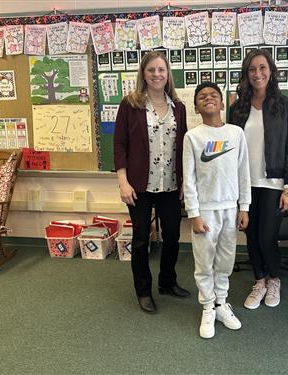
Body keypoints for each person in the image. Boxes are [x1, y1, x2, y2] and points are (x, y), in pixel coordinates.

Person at [114, 51, 190, 315]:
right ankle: (143, 291)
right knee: (139, 240)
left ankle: (167, 282)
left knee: (172, 237)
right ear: (143, 74)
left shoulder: (178, 107)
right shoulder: (130, 104)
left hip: (170, 184)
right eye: (151, 70)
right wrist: (123, 182)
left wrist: (184, 181)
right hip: (139, 186)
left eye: (161, 70)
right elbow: (120, 145)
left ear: (168, 74)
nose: (157, 75)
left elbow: (184, 147)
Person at [229, 49, 288, 310]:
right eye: (251, 69)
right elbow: (230, 148)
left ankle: (274, 279)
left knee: (266, 236)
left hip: (273, 183)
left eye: (262, 68)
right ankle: (259, 281)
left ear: (271, 72)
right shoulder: (237, 109)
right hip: (245, 183)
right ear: (246, 75)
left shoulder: (285, 106)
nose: (257, 74)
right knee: (250, 235)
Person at [183, 82, 251, 338]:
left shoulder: (236, 134)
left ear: (223, 103)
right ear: (197, 106)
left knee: (225, 261)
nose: (208, 99)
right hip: (205, 211)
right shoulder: (193, 137)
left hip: (230, 210)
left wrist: (244, 207)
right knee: (204, 263)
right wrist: (194, 213)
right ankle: (207, 306)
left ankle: (221, 303)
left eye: (213, 95)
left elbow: (244, 173)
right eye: (202, 97)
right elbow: (188, 179)